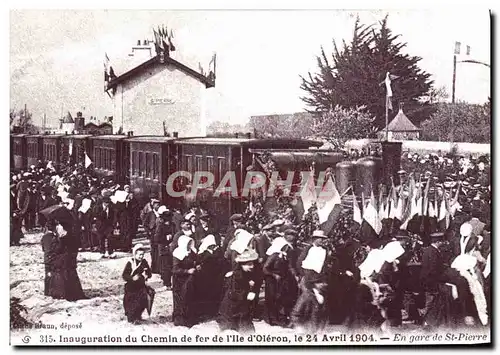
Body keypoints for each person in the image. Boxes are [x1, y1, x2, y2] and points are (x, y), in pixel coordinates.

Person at [218, 248, 262, 333]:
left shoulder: (247, 274)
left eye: (252, 264)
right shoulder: (236, 276)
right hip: (230, 312)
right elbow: (232, 294)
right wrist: (247, 294)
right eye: (249, 264)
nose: (252, 266)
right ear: (242, 265)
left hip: (242, 310)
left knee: (248, 332)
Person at [263, 236, 298, 327]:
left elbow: (288, 267)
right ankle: (272, 319)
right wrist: (274, 275)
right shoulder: (274, 256)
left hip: (280, 281)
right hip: (271, 281)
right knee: (272, 299)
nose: (287, 248)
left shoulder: (284, 256)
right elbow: (265, 268)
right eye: (285, 247)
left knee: (279, 299)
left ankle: (279, 318)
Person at [195, 234, 225, 321]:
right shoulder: (202, 252)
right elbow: (200, 262)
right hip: (205, 276)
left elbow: (221, 261)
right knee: (205, 294)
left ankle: (214, 311)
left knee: (215, 293)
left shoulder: (218, 251)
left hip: (216, 276)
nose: (212, 246)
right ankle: (206, 312)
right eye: (210, 245)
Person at [172, 235, 199, 327]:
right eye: (187, 244)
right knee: (181, 300)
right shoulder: (178, 254)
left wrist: (197, 266)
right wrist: (187, 271)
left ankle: (190, 318)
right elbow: (175, 269)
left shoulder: (192, 252)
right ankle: (181, 319)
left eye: (189, 244)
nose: (188, 246)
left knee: (190, 299)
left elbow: (195, 261)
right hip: (180, 280)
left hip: (190, 280)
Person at [122, 244, 152, 324]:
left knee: (142, 301)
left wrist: (147, 274)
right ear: (135, 254)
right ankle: (132, 318)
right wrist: (132, 278)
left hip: (141, 286)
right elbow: (124, 275)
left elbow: (149, 273)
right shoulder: (130, 263)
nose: (141, 256)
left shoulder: (144, 262)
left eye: (142, 255)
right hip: (131, 287)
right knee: (132, 303)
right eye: (139, 255)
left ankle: (138, 315)